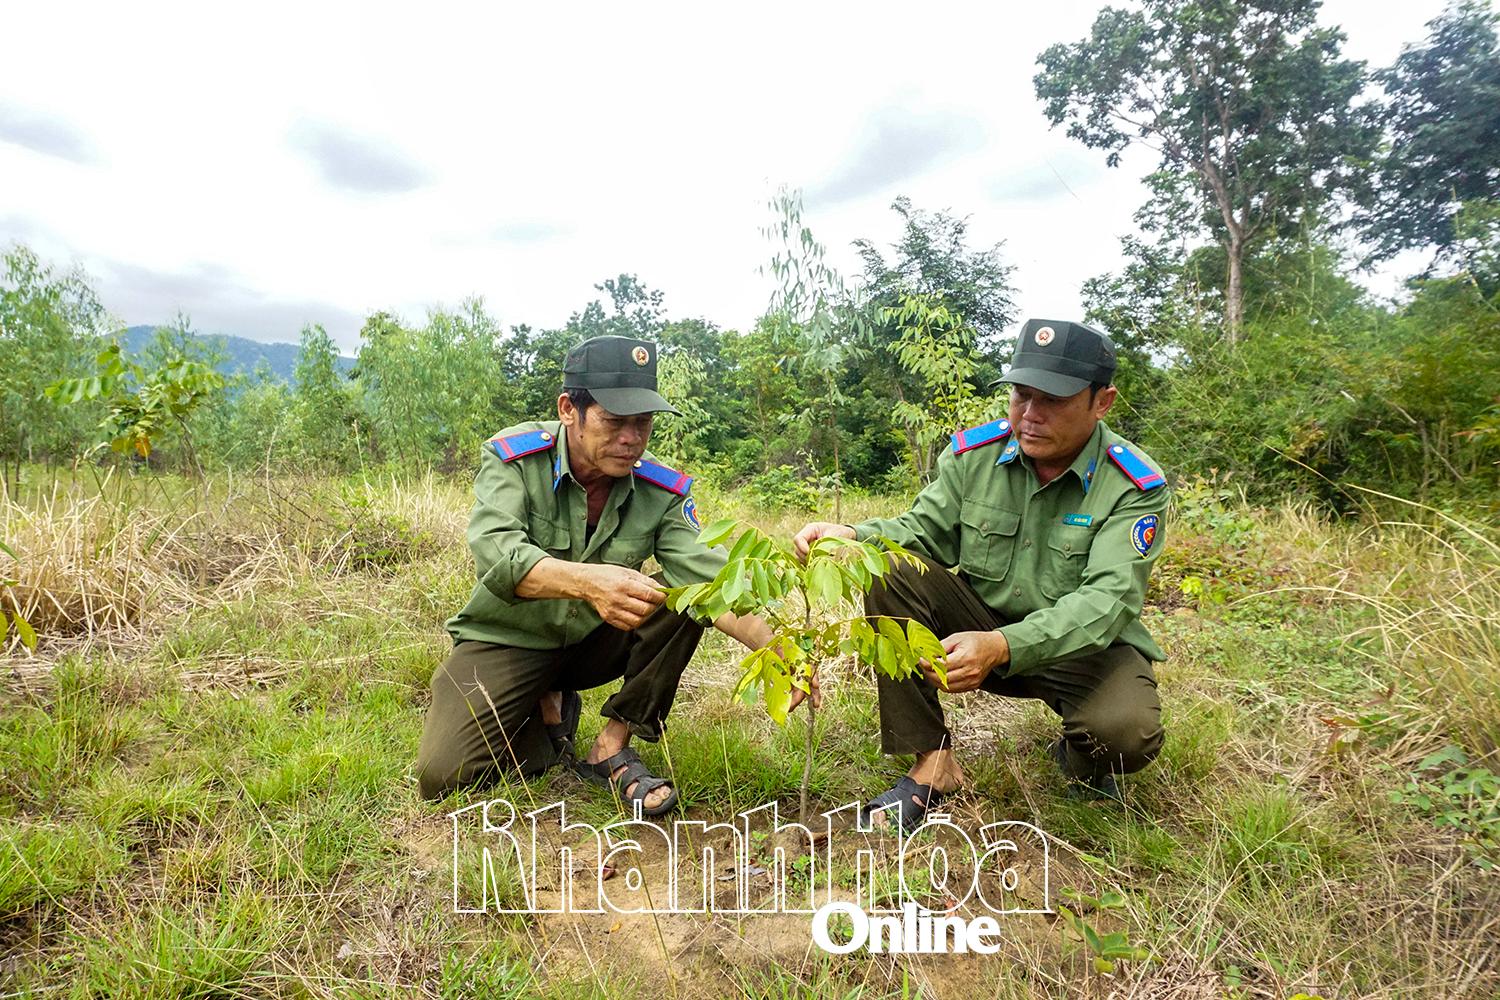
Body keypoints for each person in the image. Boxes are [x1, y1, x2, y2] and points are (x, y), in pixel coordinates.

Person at [794, 319, 1168, 829]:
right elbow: (922, 531)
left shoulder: (1132, 484)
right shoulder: (978, 454)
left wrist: (1002, 645)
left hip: (1079, 648)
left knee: (1125, 734)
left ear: (1102, 402)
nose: (1029, 416)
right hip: (975, 620)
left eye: (1052, 401)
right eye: (1020, 395)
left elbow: (1107, 602)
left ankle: (1082, 758)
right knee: (891, 571)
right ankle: (932, 762)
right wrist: (852, 536)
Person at [417, 335, 773, 815]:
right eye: (613, 421)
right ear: (569, 409)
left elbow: (716, 583)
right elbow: (497, 555)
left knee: (683, 599)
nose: (631, 438)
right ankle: (546, 709)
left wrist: (779, 652)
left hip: (595, 641)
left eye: (642, 423)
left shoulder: (659, 491)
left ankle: (612, 743)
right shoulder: (515, 461)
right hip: (508, 638)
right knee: (446, 776)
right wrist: (589, 581)